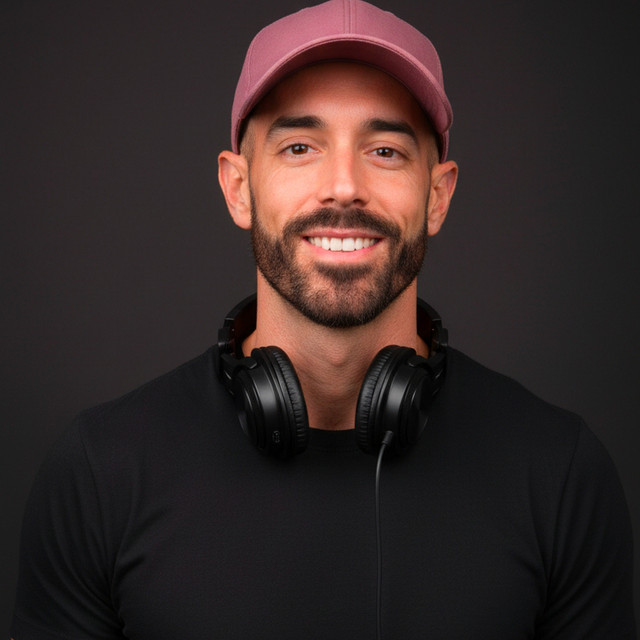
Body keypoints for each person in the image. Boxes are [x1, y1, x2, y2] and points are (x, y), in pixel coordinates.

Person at [10, 1, 635, 638]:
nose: (343, 185)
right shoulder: (99, 472)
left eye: (385, 150)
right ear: (238, 188)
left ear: (438, 195)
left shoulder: (559, 474)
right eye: (300, 147)